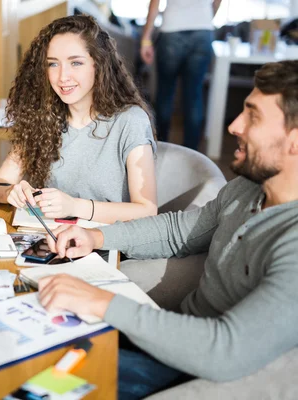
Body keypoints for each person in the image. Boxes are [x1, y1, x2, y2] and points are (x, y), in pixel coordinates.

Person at [40, 60, 298, 399]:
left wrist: (102, 303)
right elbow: (178, 232)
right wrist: (97, 237)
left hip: (195, 376)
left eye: (253, 116)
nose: (234, 126)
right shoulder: (247, 189)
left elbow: (226, 349)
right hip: (169, 340)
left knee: (37, 379)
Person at [0, 15, 157, 224]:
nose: (62, 77)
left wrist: (74, 206)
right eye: (53, 64)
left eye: (76, 63)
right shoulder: (42, 117)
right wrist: (10, 192)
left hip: (106, 244)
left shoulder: (130, 120)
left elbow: (147, 211)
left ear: (99, 64)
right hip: (46, 241)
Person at [141, 0, 223, 149]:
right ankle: (192, 154)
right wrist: (205, 19)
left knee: (165, 94)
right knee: (194, 95)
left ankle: (159, 148)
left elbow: (155, 3)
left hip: (172, 29)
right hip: (202, 31)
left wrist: (146, 38)